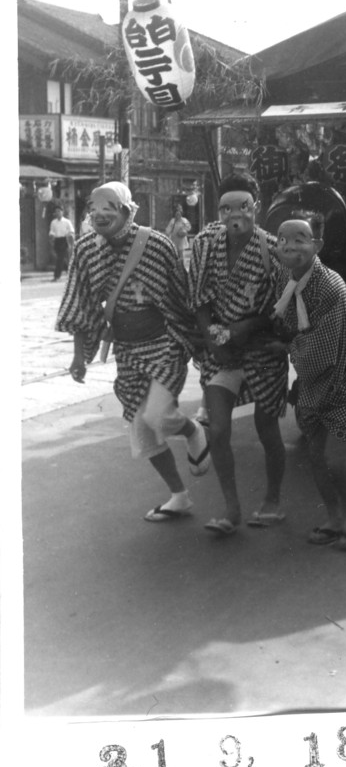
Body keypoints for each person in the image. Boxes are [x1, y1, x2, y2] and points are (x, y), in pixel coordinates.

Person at [56, 181, 209, 523]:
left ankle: (193, 431)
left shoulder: (156, 244)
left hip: (164, 344)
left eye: (108, 206)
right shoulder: (85, 250)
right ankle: (179, 496)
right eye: (93, 207)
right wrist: (79, 356)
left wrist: (197, 340)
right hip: (127, 352)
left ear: (127, 210)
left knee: (158, 416)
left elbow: (180, 296)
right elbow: (81, 304)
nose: (98, 213)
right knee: (142, 432)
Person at [188, 172, 288, 536]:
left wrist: (246, 328)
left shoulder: (273, 249)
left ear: (256, 208)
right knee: (218, 431)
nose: (235, 215)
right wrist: (212, 340)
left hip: (262, 351)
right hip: (221, 350)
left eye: (243, 207)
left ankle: (273, 499)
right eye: (226, 208)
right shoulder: (204, 244)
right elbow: (198, 298)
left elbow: (281, 308)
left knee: (267, 429)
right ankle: (231, 510)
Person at [270, 211, 346, 550]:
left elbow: (322, 351)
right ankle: (334, 516)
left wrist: (286, 346)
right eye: (283, 239)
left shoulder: (330, 286)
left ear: (318, 245)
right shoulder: (285, 280)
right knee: (315, 456)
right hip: (315, 381)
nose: (290, 246)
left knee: (335, 458)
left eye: (300, 239)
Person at [49, 204, 75, 281]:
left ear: (62, 212)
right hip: (57, 241)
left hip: (64, 240)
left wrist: (69, 237)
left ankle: (56, 276)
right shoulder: (53, 222)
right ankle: (70, 272)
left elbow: (71, 231)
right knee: (61, 258)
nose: (58, 213)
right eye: (56, 211)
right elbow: (52, 232)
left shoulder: (67, 222)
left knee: (60, 259)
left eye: (59, 211)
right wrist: (51, 237)